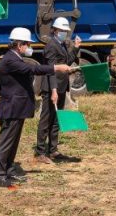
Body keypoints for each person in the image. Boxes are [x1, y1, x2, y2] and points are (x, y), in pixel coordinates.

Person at [0, 27, 72, 187]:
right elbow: (33, 68)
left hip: (18, 108)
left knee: (13, 142)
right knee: (6, 142)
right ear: (19, 44)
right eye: (27, 44)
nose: (30, 47)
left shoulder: (16, 57)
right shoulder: (10, 59)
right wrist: (56, 67)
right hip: (11, 108)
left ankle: (8, 169)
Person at [34, 17, 82, 164]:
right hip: (50, 88)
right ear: (54, 30)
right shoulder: (50, 46)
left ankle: (53, 150)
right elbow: (50, 70)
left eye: (65, 31)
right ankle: (40, 152)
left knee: (56, 119)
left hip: (61, 86)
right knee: (46, 119)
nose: (64, 33)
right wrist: (54, 90)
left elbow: (66, 62)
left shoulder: (61, 45)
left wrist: (76, 47)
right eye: (61, 30)